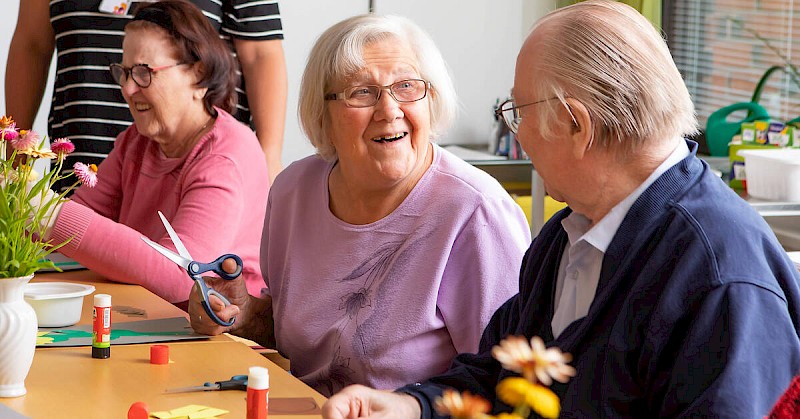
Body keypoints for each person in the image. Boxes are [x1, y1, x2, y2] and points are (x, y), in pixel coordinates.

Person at [321, 1, 800, 417]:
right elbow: (497, 375)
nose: (519, 135)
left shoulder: (719, 276)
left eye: (518, 112)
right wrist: (410, 406)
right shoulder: (568, 235)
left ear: (575, 124)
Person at [188, 14, 532, 397]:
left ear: (431, 99)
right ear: (323, 113)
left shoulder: (476, 212)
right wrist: (244, 314)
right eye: (362, 92)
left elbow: (505, 386)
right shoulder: (293, 192)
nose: (389, 110)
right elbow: (306, 339)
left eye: (406, 86)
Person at [38, 1, 269, 306]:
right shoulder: (135, 142)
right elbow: (63, 237)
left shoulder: (225, 155)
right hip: (149, 313)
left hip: (221, 329)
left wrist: (47, 213)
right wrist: (24, 209)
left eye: (143, 72)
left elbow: (183, 276)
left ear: (198, 75)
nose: (128, 89)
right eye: (125, 72)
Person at [6, 0, 287, 186]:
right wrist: (14, 159)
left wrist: (268, 159)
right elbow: (31, 45)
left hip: (196, 172)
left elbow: (260, 55)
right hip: (80, 165)